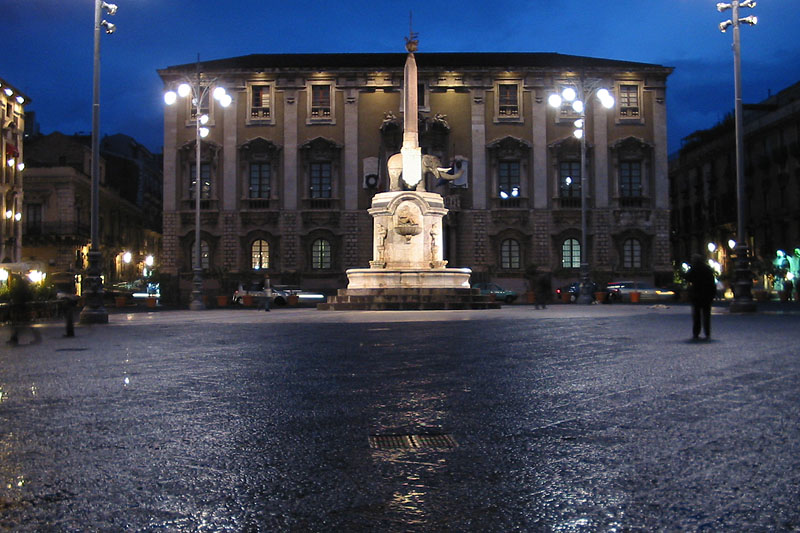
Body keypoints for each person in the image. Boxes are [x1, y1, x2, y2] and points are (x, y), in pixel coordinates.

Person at [685, 254, 716, 340]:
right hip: (707, 295)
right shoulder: (707, 269)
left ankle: (696, 333)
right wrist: (712, 295)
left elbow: (687, 277)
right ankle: (707, 333)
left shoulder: (694, 269)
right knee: (706, 315)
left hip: (696, 295)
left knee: (696, 316)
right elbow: (712, 283)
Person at [7, 274, 40, 346]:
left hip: (21, 307)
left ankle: (15, 338)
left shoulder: (20, 288)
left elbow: (26, 297)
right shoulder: (22, 288)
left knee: (22, 324)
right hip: (21, 307)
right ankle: (14, 338)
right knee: (21, 324)